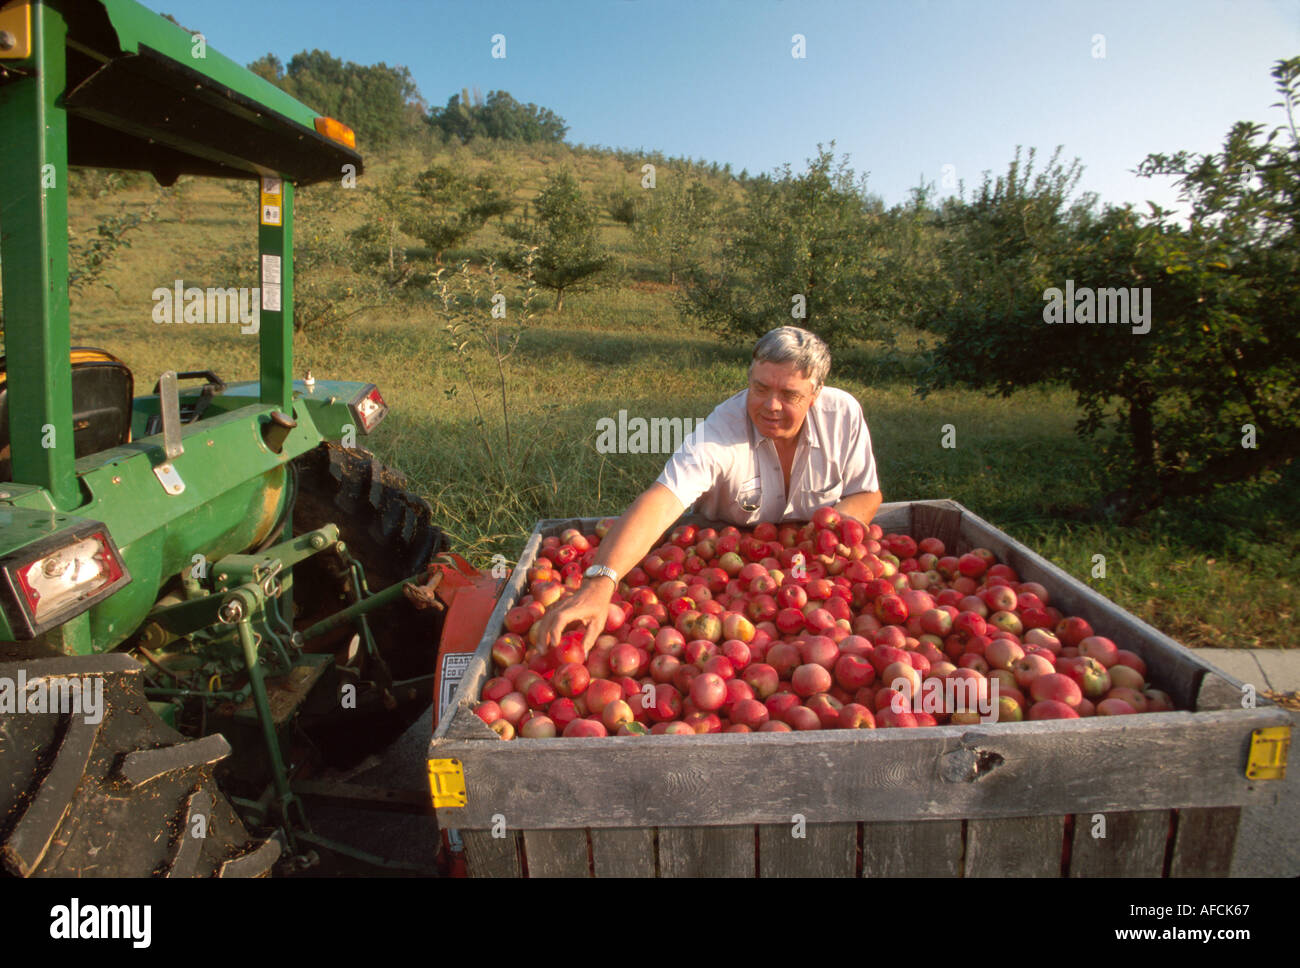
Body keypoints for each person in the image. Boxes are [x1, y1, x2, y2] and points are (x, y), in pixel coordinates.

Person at [537, 325, 883, 651]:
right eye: (760, 388)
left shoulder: (843, 416)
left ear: (814, 395)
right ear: (749, 378)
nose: (771, 405)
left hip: (815, 578)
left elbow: (866, 493)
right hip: (719, 572)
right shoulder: (720, 432)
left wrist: (828, 533)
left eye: (789, 394)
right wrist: (600, 583)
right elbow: (663, 499)